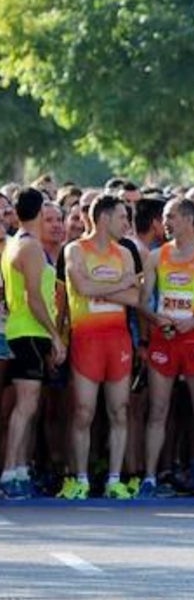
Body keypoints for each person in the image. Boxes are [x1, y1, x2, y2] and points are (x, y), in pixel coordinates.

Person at [137, 198, 194, 498]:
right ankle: (150, 479)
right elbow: (142, 302)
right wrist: (156, 318)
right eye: (165, 217)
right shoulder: (156, 256)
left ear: (189, 220)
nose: (165, 222)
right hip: (164, 339)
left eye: (172, 217)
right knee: (158, 411)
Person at [62, 194, 141, 499]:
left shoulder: (125, 253)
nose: (127, 224)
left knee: (120, 410)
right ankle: (80, 478)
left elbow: (135, 299)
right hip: (86, 339)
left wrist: (102, 290)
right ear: (105, 218)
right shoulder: (75, 250)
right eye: (122, 217)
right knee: (83, 411)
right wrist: (121, 285)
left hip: (117, 339)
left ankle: (113, 479)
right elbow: (81, 288)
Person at [0, 187, 66, 499]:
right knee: (25, 406)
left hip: (24, 329)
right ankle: (11, 472)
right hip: (29, 330)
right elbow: (34, 298)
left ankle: (19, 468)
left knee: (28, 405)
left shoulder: (15, 244)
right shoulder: (30, 248)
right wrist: (55, 334)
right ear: (39, 212)